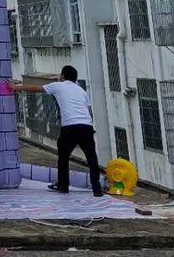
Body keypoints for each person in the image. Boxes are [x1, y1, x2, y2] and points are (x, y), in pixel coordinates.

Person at [7, 65, 104, 196]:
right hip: (86, 126)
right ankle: (97, 190)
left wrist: (15, 87)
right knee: (92, 159)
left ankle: (63, 185)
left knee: (63, 157)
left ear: (63, 76)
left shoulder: (59, 86)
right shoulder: (82, 91)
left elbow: (36, 89)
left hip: (70, 126)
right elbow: (88, 111)